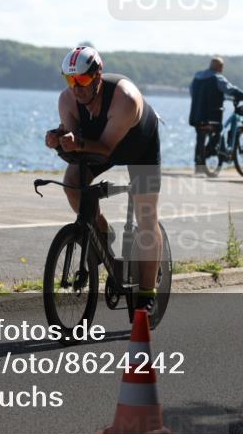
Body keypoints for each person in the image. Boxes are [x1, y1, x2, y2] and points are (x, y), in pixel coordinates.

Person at [44, 47, 162, 314]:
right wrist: (57, 141)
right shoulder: (67, 101)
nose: (76, 88)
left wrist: (78, 142)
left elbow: (107, 149)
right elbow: (75, 144)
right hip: (100, 143)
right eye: (69, 80)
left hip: (137, 145)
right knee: (73, 182)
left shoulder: (125, 98)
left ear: (97, 76)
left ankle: (146, 293)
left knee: (145, 215)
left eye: (82, 80)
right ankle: (101, 234)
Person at [188, 57, 243, 173]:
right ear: (219, 67)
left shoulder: (197, 77)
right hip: (212, 114)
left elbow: (192, 91)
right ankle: (208, 153)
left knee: (200, 137)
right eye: (222, 67)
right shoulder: (217, 77)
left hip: (197, 114)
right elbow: (231, 90)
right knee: (218, 131)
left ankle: (199, 165)